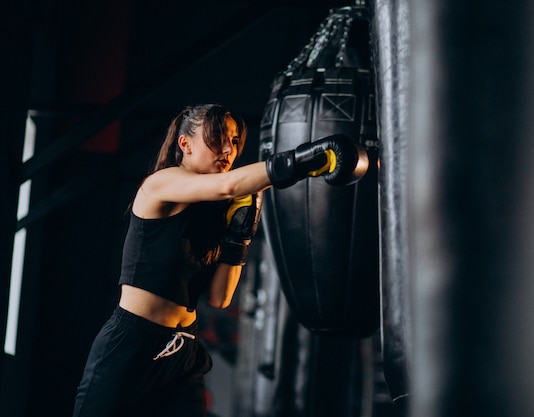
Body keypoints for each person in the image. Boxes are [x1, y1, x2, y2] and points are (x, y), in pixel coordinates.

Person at [72, 103, 368, 417]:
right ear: (184, 144)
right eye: (217, 138)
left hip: (183, 352)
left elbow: (220, 297)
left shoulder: (215, 212)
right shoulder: (161, 184)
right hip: (132, 345)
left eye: (235, 141)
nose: (228, 148)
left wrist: (238, 237)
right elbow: (227, 185)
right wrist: (301, 163)